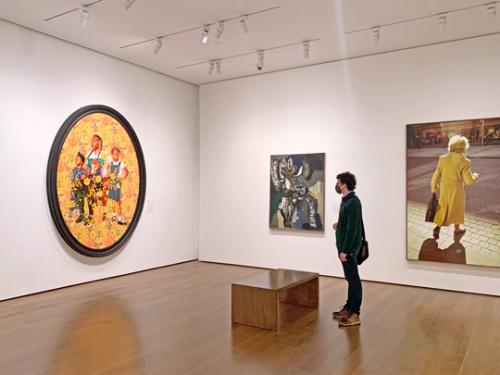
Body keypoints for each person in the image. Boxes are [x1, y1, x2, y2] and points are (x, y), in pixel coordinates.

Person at [431, 135, 479, 240]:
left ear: (451, 146)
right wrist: (475, 175)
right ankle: (457, 231)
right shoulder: (465, 162)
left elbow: (436, 174)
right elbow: (468, 181)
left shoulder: (443, 159)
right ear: (463, 147)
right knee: (457, 208)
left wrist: (434, 187)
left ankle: (437, 228)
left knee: (443, 207)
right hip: (457, 189)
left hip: (444, 188)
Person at [332, 171, 363, 327]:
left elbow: (352, 229)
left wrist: (345, 250)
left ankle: (355, 313)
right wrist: (338, 225)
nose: (337, 186)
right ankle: (348, 308)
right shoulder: (346, 201)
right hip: (344, 246)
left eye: (338, 183)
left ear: (345, 184)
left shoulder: (353, 202)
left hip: (348, 249)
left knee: (354, 280)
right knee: (350, 279)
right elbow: (347, 222)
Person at [107, 147, 129, 225]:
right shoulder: (111, 163)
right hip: (112, 184)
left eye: (117, 154)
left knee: (117, 200)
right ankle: (114, 215)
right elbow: (108, 171)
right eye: (114, 154)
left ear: (119, 154)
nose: (115, 156)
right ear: (112, 155)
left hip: (117, 184)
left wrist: (121, 177)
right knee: (112, 199)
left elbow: (126, 172)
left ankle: (119, 215)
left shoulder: (121, 163)